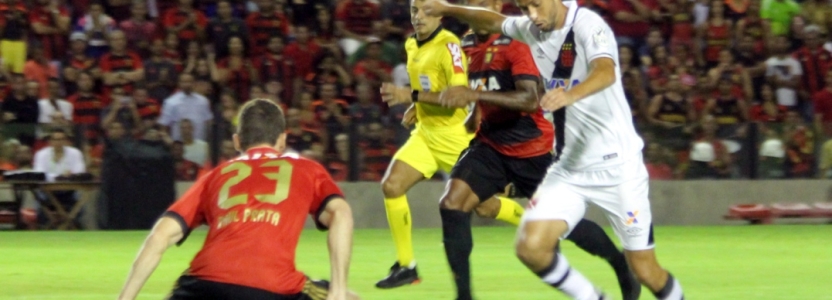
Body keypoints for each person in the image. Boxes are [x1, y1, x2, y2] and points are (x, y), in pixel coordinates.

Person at [426, 0, 685, 299]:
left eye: (536, 6)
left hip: (618, 167)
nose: (531, 16)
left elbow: (605, 72)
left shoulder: (588, 25)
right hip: (569, 169)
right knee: (530, 248)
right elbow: (491, 20)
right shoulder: (529, 28)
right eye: (524, 9)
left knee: (645, 270)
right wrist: (444, 7)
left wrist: (569, 95)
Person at [118, 99, 359, 300]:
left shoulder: (213, 176)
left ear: (237, 141)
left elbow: (159, 236)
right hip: (272, 287)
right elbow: (341, 213)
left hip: (201, 286)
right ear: (282, 140)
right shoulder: (307, 169)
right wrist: (337, 292)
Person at [374, 0, 477, 288]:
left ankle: (536, 224)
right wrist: (417, 108)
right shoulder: (411, 45)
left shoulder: (449, 46)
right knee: (392, 186)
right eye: (413, 11)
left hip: (454, 136)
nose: (418, 17)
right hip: (426, 134)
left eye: (425, 11)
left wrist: (412, 98)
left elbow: (458, 95)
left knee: (486, 205)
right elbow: (426, 87)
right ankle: (407, 266)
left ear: (440, 14)